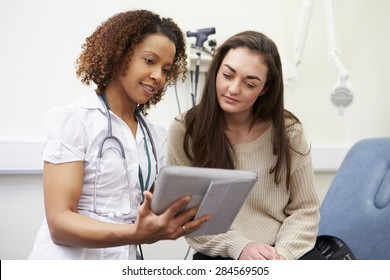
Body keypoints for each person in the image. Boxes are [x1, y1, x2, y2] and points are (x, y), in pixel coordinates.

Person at [28, 10, 210, 260]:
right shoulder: (74, 121)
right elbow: (60, 225)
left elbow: (151, 209)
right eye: (149, 61)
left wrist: (179, 215)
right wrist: (134, 233)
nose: (158, 76)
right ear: (119, 54)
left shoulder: (154, 138)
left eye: (166, 69)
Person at [167, 30, 323, 260]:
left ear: (265, 89)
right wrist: (240, 247)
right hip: (223, 253)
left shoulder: (288, 131)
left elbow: (305, 209)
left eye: (250, 84)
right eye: (228, 75)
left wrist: (282, 256)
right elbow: (189, 217)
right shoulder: (185, 129)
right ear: (216, 70)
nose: (233, 89)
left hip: (284, 254)